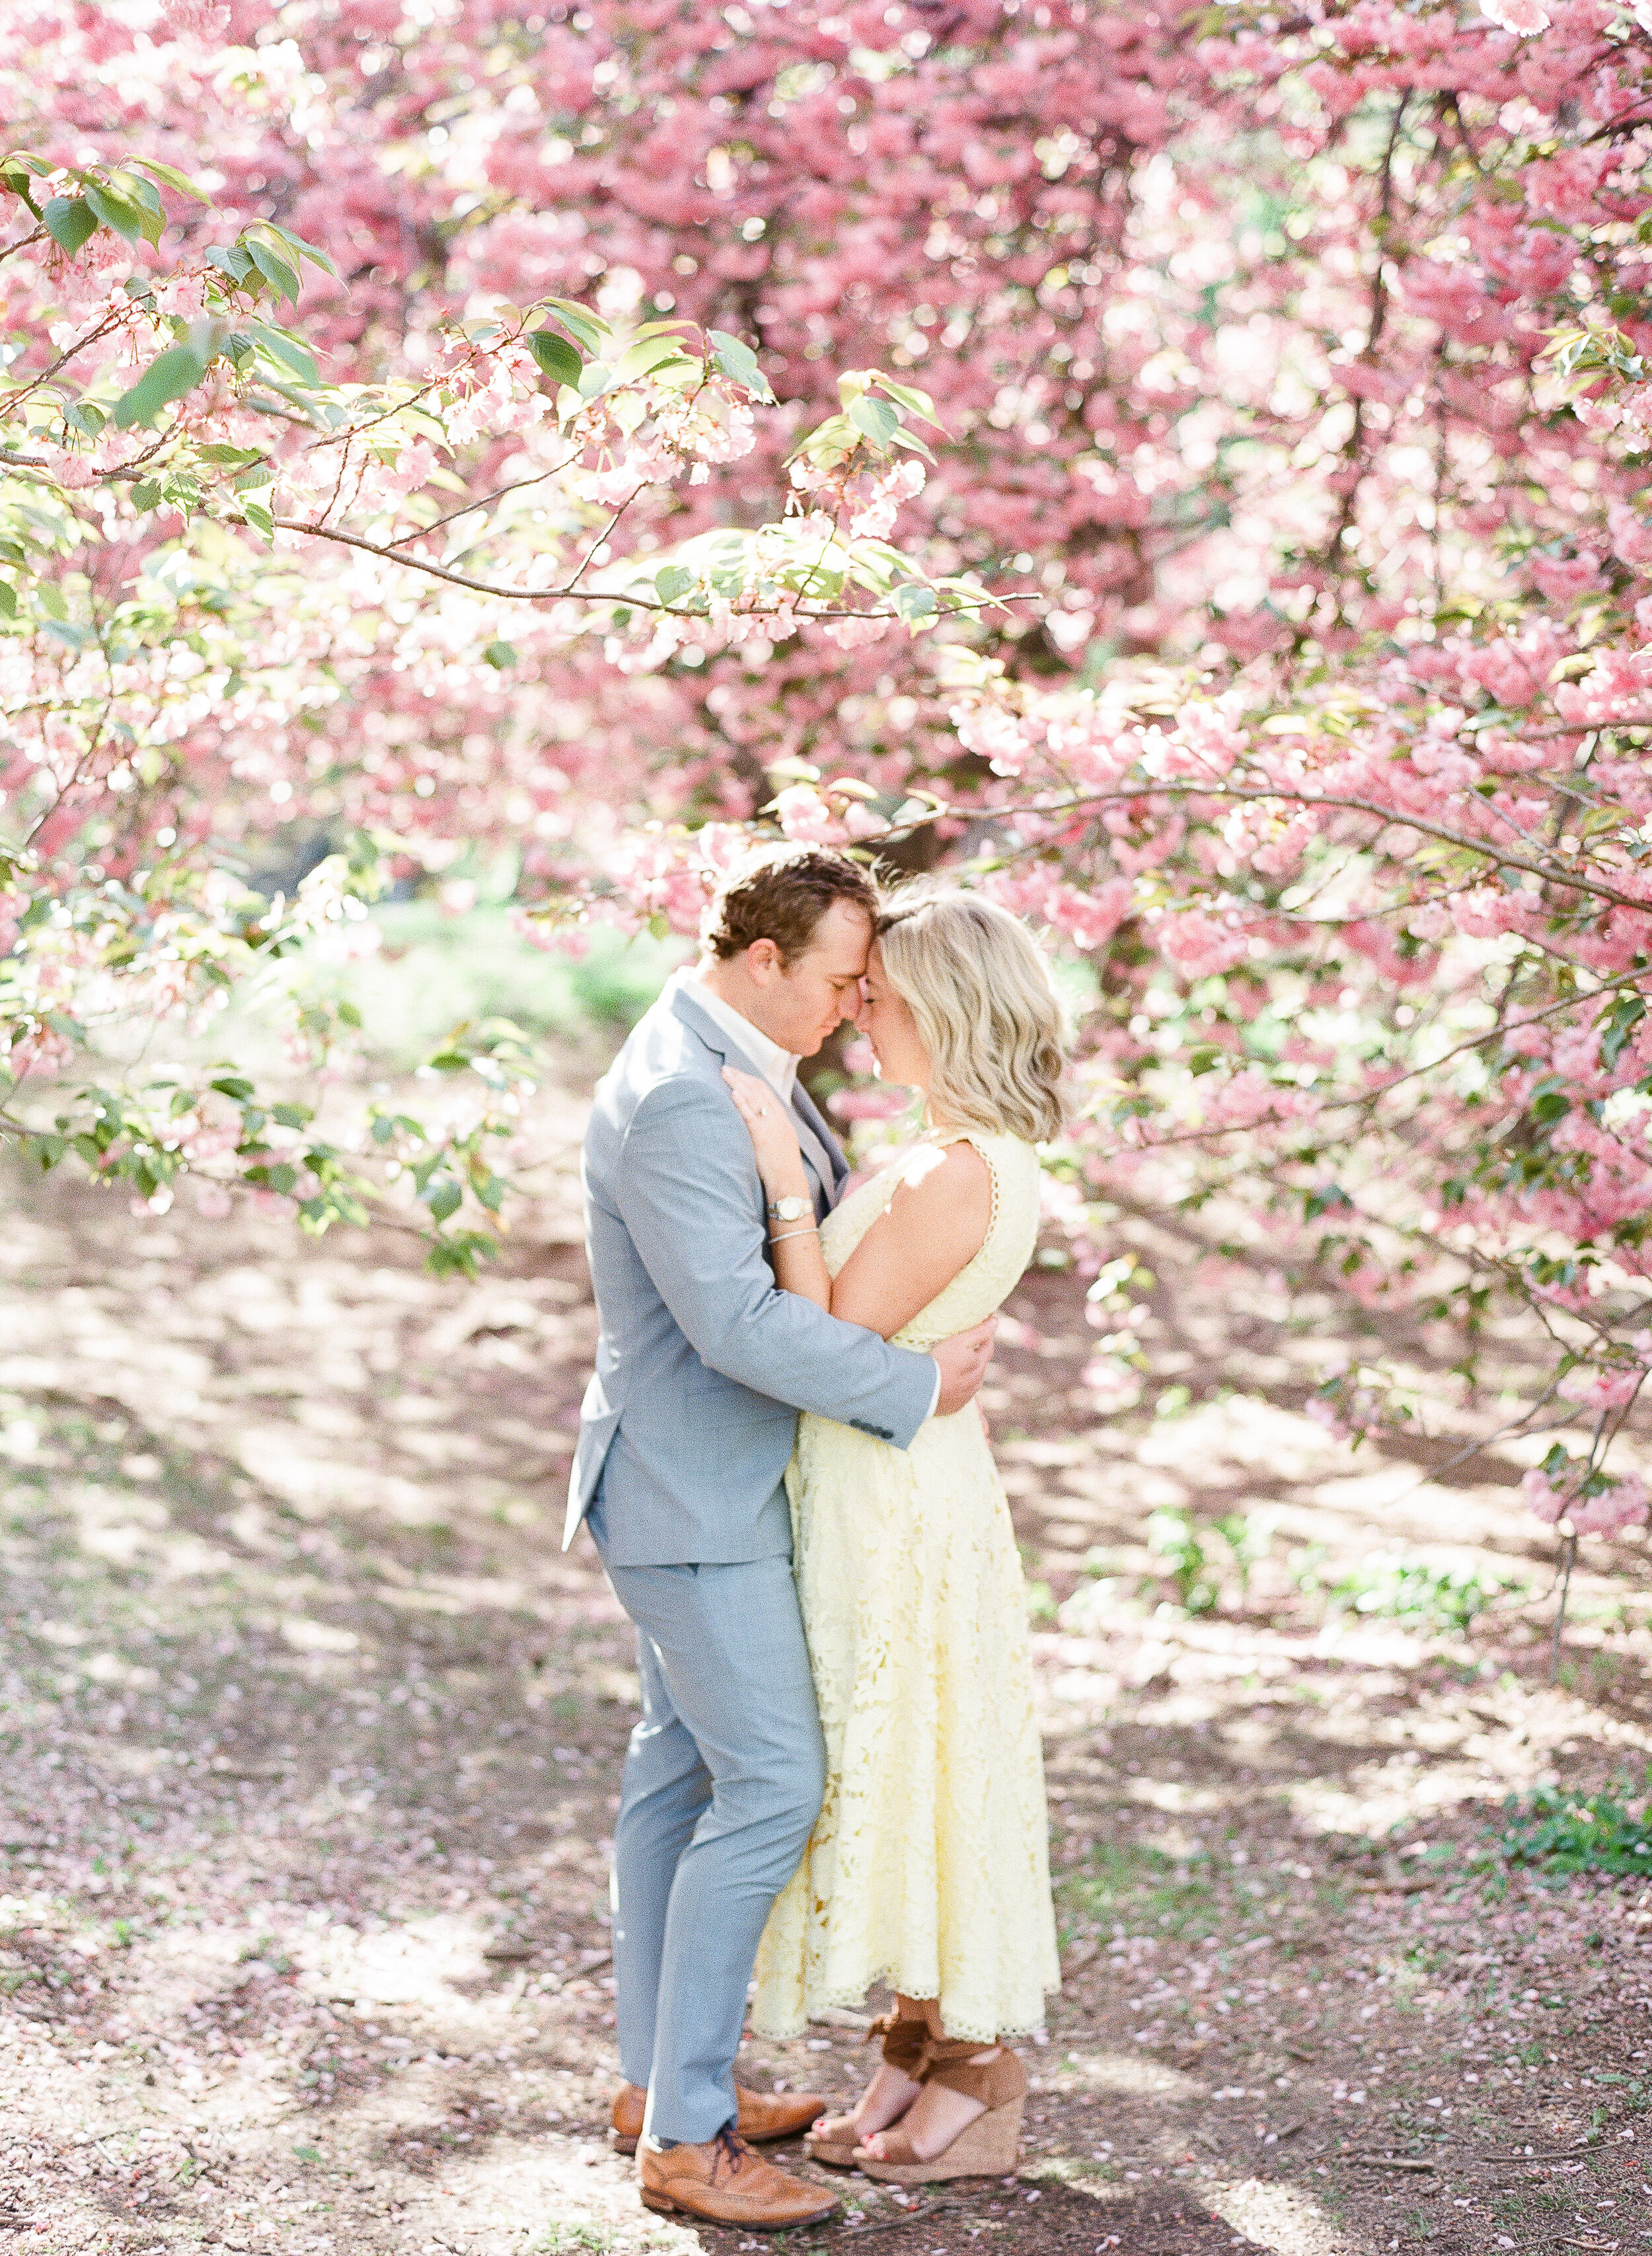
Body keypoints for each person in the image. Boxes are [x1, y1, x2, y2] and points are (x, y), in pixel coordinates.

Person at [566, 845, 998, 2231]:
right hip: (697, 1502)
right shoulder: (685, 1099)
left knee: (677, 1782)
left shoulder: (723, 1051)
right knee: (771, 1788)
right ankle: (686, 2142)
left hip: (701, 1487)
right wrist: (917, 1388)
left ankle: (657, 2085)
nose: (850, 1004)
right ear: (763, 960)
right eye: (837, 978)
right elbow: (740, 1330)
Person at [722, 883, 1065, 2185]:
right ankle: (916, 2052)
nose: (860, 1009)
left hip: (899, 1503)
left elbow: (829, 1340)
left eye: (886, 996)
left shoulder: (952, 1167)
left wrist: (782, 1195)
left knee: (914, 1767)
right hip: (901, 1483)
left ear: (950, 1011)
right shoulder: (957, 1149)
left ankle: (979, 2073)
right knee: (914, 1768)